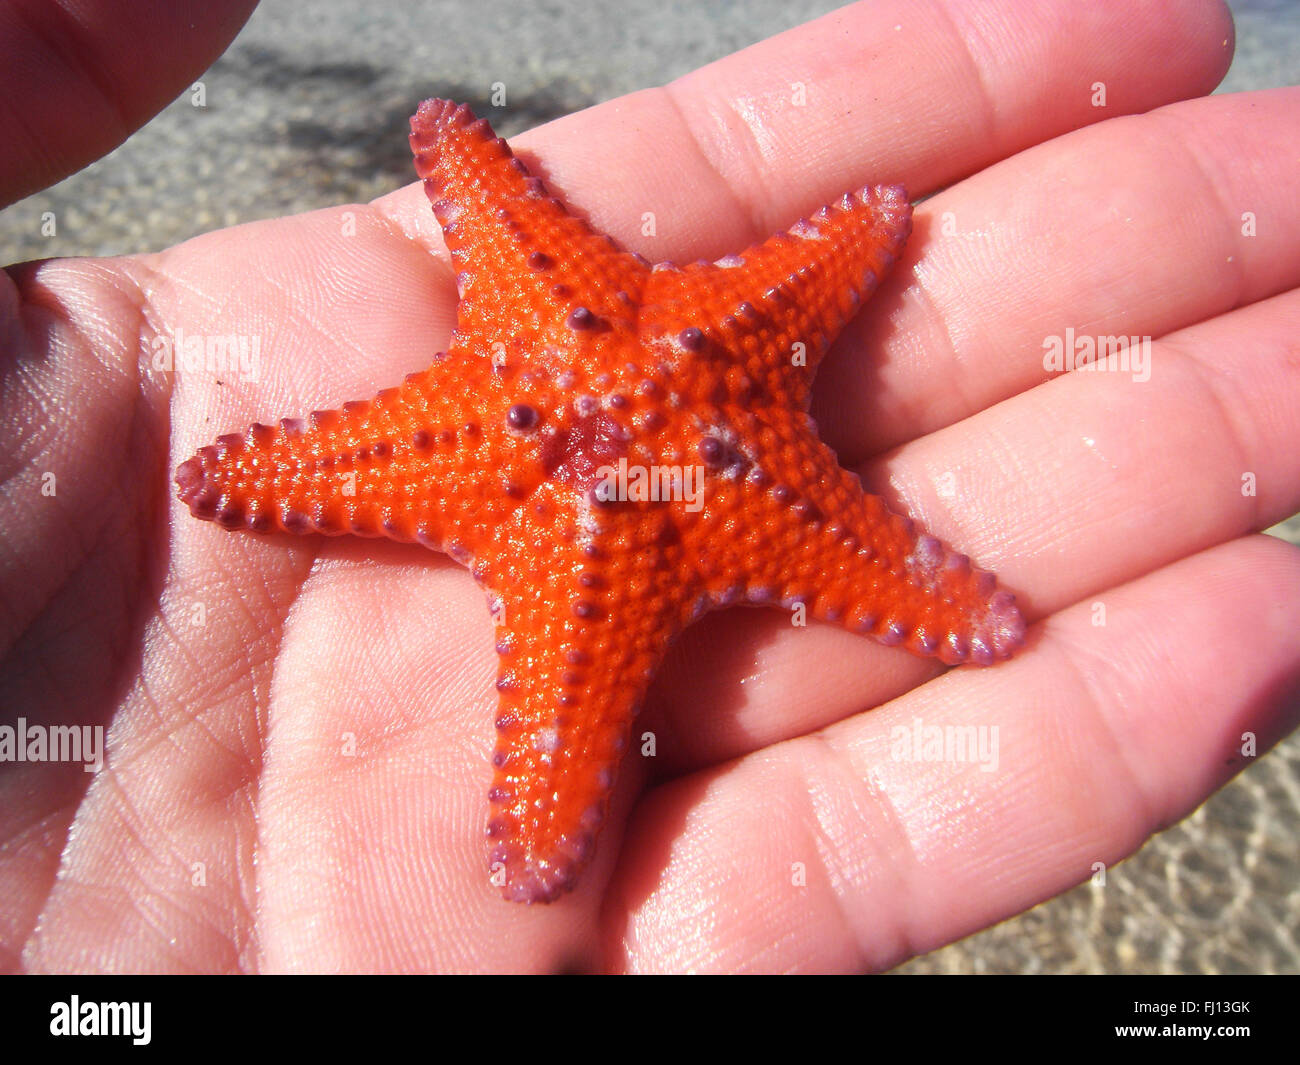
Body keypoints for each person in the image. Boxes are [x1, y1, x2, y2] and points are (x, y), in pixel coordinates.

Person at [2, 0, 1297, 973]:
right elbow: (465, 171)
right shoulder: (644, 322)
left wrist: (946, 592)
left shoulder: (577, 325)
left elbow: (805, 237)